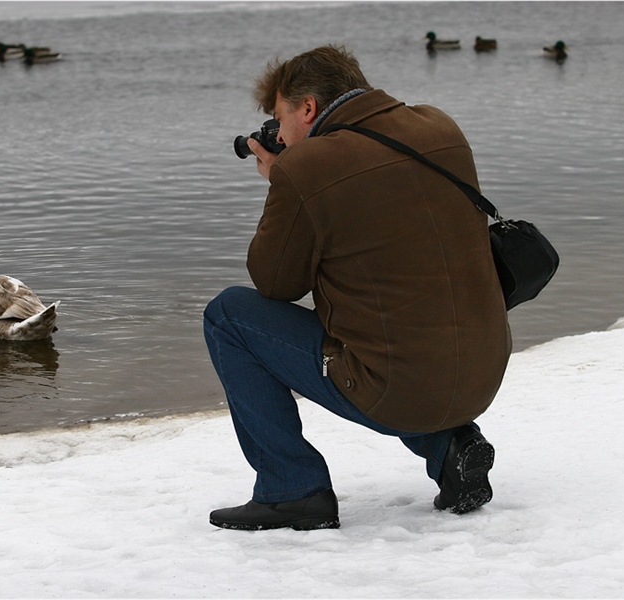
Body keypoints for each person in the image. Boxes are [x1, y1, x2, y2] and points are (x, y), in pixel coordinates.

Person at [203, 45, 511, 531]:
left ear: (308, 107)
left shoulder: (306, 168)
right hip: (481, 372)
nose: (279, 135)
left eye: (281, 118)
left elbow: (275, 284)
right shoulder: (439, 125)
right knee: (404, 307)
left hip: (401, 389)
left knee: (228, 314)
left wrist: (283, 179)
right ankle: (448, 445)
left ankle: (291, 490)